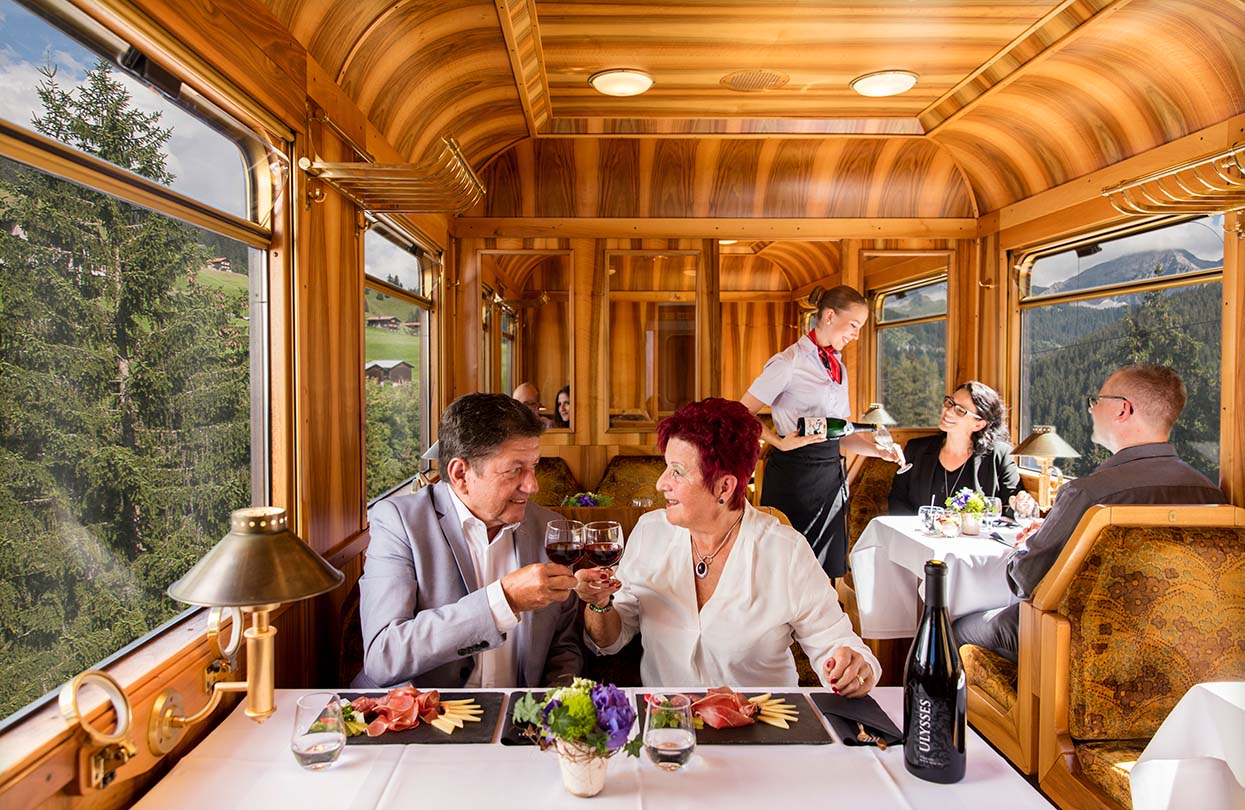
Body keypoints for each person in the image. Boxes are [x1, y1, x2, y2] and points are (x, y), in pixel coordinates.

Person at [575, 398, 881, 691]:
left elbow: (837, 643)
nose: (661, 483)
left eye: (677, 472)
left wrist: (854, 668)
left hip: (762, 726)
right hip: (668, 726)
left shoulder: (785, 552)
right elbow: (610, 640)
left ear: (724, 486)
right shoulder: (649, 534)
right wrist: (598, 603)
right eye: (666, 467)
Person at [952, 365, 1226, 662]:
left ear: (1123, 409)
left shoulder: (1088, 494)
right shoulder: (1212, 494)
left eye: (1097, 400)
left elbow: (1024, 580)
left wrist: (1030, 543)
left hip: (1077, 642)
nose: (1092, 409)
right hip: (1178, 646)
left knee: (956, 629)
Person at [354, 393, 582, 688]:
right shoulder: (400, 523)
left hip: (522, 723)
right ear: (461, 474)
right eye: (515, 470)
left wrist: (551, 712)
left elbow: (564, 648)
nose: (532, 485)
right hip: (425, 720)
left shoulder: (550, 529)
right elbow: (384, 656)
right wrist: (504, 600)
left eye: (534, 466)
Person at [740, 285, 902, 579]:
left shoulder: (837, 366)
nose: (856, 334)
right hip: (794, 478)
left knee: (826, 571)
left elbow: (840, 432)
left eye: (860, 328)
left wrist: (880, 452)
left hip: (830, 479)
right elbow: (737, 412)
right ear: (829, 316)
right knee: (788, 570)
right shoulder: (788, 363)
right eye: (854, 325)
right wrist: (778, 441)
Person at [888, 381, 1023, 517]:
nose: (948, 411)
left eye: (960, 410)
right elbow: (897, 501)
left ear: (978, 424)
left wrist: (1023, 505)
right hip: (920, 534)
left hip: (974, 537)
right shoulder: (916, 450)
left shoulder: (1000, 455)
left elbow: (1011, 505)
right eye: (949, 403)